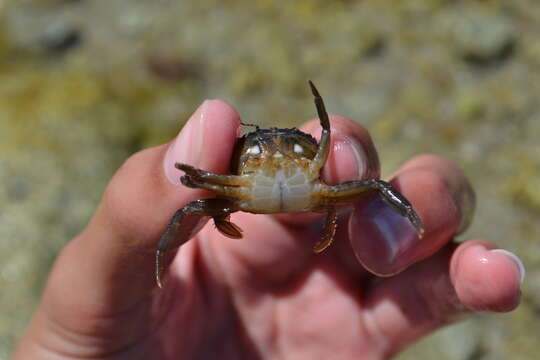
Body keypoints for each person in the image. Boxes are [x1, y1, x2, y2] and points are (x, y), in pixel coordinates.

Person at [12, 100, 524, 359]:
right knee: (181, 207)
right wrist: (209, 212)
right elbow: (192, 182)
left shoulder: (327, 176)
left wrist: (406, 215)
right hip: (251, 199)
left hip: (316, 198)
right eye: (260, 145)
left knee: (375, 186)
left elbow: (362, 178)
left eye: (292, 146)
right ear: (241, 154)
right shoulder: (227, 188)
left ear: (316, 152)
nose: (275, 150)